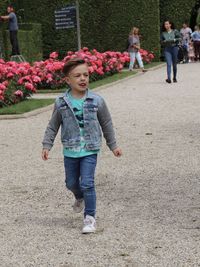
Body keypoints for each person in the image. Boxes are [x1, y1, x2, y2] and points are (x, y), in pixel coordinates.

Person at [42, 58, 122, 234]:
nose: (82, 79)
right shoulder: (61, 102)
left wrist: (113, 145)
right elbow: (53, 125)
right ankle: (79, 197)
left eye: (85, 75)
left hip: (90, 149)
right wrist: (47, 145)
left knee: (87, 183)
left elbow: (106, 123)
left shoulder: (97, 100)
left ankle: (90, 218)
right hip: (70, 149)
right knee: (71, 183)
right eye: (77, 76)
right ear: (67, 80)